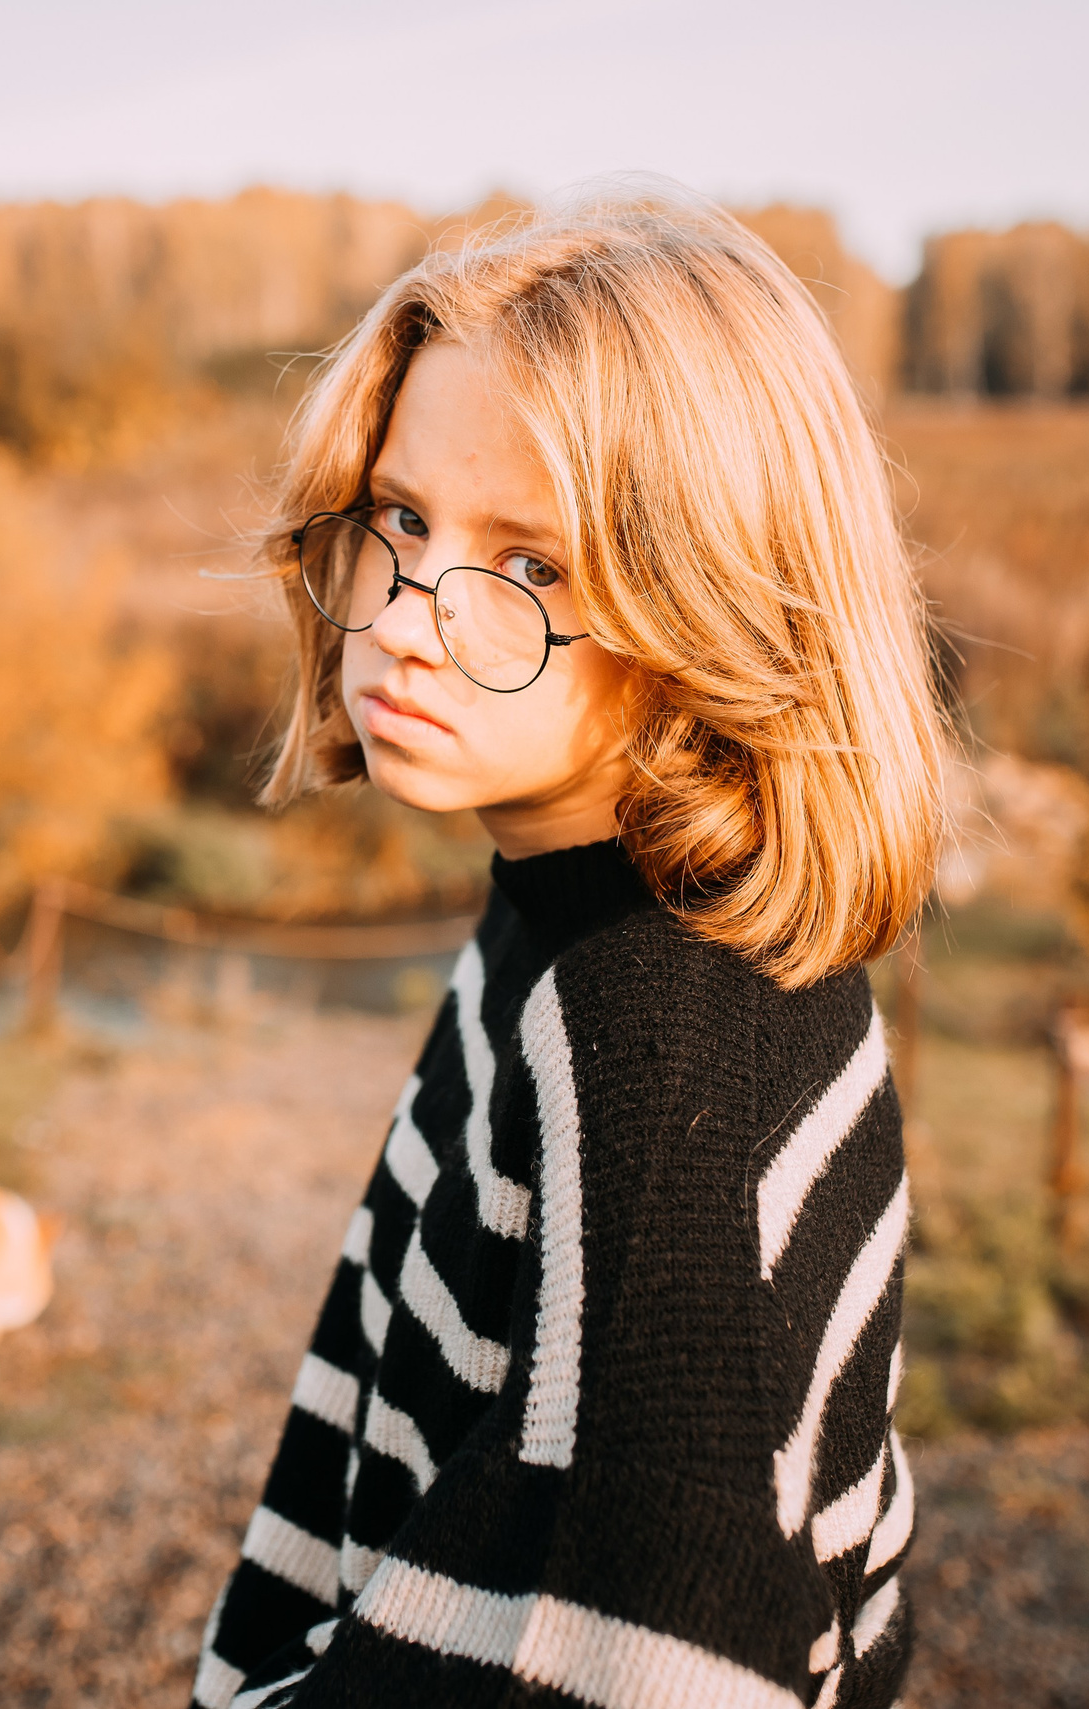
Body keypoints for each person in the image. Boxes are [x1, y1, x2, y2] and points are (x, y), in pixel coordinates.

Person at [191, 187, 945, 1709]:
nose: (407, 618)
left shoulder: (665, 1064)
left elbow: (645, 1650)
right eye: (401, 519)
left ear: (719, 608)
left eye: (532, 568)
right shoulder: (566, 890)